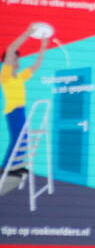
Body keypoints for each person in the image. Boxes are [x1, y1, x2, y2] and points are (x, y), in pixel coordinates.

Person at [2, 23, 49, 172]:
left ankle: (16, 165)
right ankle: (6, 167)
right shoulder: (5, 75)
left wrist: (43, 44)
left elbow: (37, 65)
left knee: (23, 139)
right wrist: (28, 32)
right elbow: (10, 50)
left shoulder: (19, 77)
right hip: (13, 111)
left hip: (21, 110)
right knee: (17, 139)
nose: (17, 61)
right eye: (14, 59)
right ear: (7, 62)